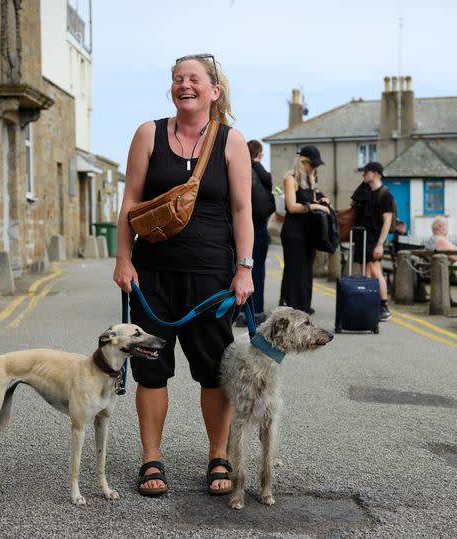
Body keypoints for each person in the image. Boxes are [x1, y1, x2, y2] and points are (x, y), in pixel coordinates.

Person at [112, 53, 253, 498]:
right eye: (177, 79)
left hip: (211, 278)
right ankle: (150, 458)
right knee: (151, 370)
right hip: (153, 275)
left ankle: (218, 455)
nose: (183, 85)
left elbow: (242, 210)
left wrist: (244, 269)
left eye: (193, 79)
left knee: (214, 372)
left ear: (214, 90)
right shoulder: (147, 134)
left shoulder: (232, 142)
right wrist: (123, 259)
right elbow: (130, 202)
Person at [279, 145, 329, 314]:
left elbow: (312, 200)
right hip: (293, 233)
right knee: (295, 272)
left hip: (307, 232)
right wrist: (314, 206)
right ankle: (294, 309)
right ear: (303, 162)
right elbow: (292, 207)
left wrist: (322, 201)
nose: (314, 168)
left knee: (306, 273)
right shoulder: (290, 179)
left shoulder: (310, 181)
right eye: (312, 165)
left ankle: (303, 308)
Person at [350, 161, 395, 321]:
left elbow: (387, 221)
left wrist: (380, 244)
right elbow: (355, 200)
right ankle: (370, 304)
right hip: (362, 237)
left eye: (366, 172)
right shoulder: (366, 192)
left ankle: (384, 306)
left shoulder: (385, 195)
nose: (363, 175)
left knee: (375, 271)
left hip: (375, 239)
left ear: (375, 173)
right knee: (365, 273)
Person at [235, 140, 272, 327]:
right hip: (257, 226)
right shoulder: (258, 169)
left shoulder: (238, 167)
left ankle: (240, 311)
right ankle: (256, 312)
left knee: (240, 268)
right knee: (256, 270)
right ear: (259, 154)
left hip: (238, 225)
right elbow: (269, 184)